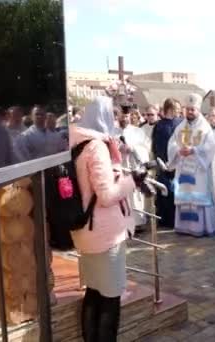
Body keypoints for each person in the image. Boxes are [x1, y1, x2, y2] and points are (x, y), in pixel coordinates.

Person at [70, 96, 149, 342]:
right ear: (103, 117)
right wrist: (132, 180)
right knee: (110, 298)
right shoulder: (97, 147)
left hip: (87, 231)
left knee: (94, 293)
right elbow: (106, 196)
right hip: (104, 235)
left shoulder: (77, 143)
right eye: (111, 116)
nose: (114, 120)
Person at [168, 94, 215, 237]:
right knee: (185, 197)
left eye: (193, 109)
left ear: (198, 110)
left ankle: (200, 228)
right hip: (183, 168)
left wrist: (194, 150)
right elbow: (171, 143)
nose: (190, 112)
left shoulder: (205, 127)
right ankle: (184, 227)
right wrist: (177, 150)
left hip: (198, 170)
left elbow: (211, 147)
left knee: (197, 198)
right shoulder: (179, 127)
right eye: (188, 109)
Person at [115, 106, 150, 228]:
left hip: (134, 167)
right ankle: (124, 222)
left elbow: (146, 147)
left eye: (126, 116)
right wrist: (119, 149)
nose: (124, 119)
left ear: (130, 116)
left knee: (136, 196)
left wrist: (133, 148)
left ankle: (138, 222)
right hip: (121, 168)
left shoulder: (137, 131)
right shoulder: (113, 131)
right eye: (122, 116)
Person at [152, 98, 182, 228]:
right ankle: (165, 220)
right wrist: (162, 162)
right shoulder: (160, 126)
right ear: (170, 109)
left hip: (180, 164)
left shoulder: (181, 123)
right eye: (177, 109)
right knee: (165, 192)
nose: (179, 111)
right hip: (164, 165)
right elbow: (156, 146)